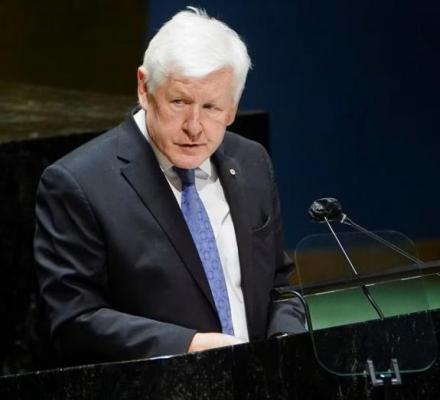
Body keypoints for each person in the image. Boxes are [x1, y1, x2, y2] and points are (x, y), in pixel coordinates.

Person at [33, 8, 305, 365]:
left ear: (233, 108)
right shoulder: (78, 184)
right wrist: (187, 346)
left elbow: (278, 284)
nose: (194, 126)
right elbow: (74, 320)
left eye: (211, 107)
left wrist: (286, 342)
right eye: (179, 102)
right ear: (144, 88)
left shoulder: (251, 161)